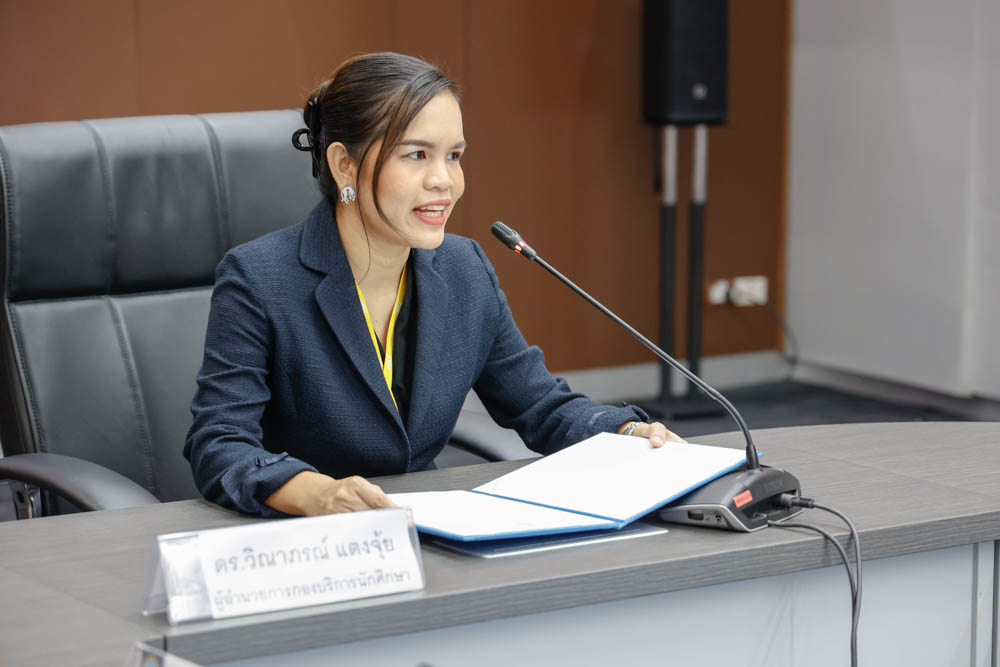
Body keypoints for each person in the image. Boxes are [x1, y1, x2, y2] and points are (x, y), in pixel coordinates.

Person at [184, 52, 683, 518]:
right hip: (306, 541)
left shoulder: (464, 268)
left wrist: (625, 431)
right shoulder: (259, 278)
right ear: (344, 165)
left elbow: (539, 405)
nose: (444, 180)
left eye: (455, 156)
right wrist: (317, 492)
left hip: (425, 526)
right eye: (417, 155)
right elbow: (220, 443)